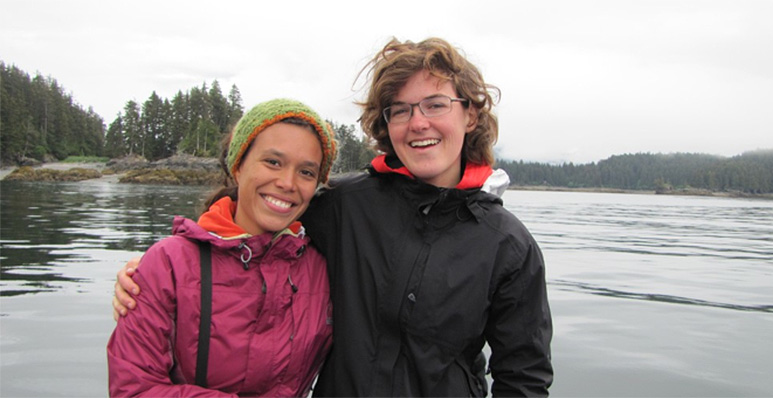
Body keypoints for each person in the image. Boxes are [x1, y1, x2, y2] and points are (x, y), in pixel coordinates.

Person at [114, 37, 553, 396]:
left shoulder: (507, 246)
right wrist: (152, 277)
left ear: (470, 113)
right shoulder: (343, 206)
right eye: (400, 109)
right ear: (386, 125)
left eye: (435, 104)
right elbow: (249, 236)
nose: (418, 123)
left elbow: (524, 377)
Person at [107, 98, 337, 397]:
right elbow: (133, 390)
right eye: (273, 162)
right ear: (238, 166)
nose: (287, 182)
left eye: (307, 172)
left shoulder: (324, 269)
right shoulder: (168, 265)